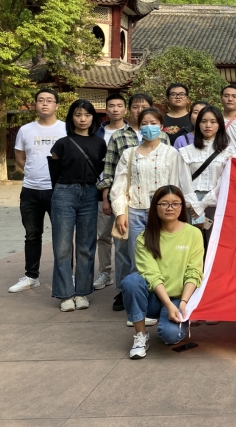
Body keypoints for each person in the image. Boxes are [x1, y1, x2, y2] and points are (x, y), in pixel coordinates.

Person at [97, 93, 169, 312]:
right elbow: (111, 171)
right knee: (125, 251)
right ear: (131, 111)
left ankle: (157, 294)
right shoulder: (120, 138)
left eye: (144, 107)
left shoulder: (166, 143)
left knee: (159, 250)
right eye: (136, 108)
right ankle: (125, 290)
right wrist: (112, 202)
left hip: (158, 205)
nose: (141, 112)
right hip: (131, 204)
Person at [121, 185, 203, 359]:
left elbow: (194, 272)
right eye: (164, 203)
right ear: (155, 207)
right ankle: (141, 335)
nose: (170, 208)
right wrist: (168, 304)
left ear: (182, 206)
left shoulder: (194, 234)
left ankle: (174, 320)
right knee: (131, 281)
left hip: (179, 297)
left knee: (171, 336)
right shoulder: (144, 237)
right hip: (153, 298)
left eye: (175, 203)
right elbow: (152, 275)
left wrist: (183, 302)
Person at [47, 100, 106, 312]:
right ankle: (64, 294)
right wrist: (61, 191)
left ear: (93, 118)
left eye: (87, 115)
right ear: (71, 117)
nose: (82, 119)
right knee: (62, 246)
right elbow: (54, 173)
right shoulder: (62, 144)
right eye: (78, 115)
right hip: (64, 192)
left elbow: (101, 170)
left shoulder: (100, 143)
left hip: (89, 193)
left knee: (86, 246)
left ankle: (82, 292)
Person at [111, 108, 182, 279]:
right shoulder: (129, 154)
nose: (149, 127)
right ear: (139, 127)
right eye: (144, 123)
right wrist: (120, 213)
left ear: (161, 126)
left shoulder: (170, 153)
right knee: (137, 259)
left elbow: (175, 185)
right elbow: (119, 185)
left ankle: (161, 292)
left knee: (163, 256)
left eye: (153, 123)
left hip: (163, 212)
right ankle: (136, 291)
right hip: (135, 211)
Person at [9, 89, 67, 293]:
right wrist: (32, 172)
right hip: (30, 190)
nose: (44, 103)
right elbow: (19, 157)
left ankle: (66, 276)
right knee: (32, 234)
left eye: (49, 100)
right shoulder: (26, 130)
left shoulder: (65, 129)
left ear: (56, 105)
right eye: (40, 100)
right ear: (35, 104)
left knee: (62, 235)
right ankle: (31, 276)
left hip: (57, 190)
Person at [177, 105, 231, 252]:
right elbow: (183, 180)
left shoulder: (228, 152)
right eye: (204, 121)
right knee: (191, 245)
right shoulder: (186, 151)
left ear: (220, 125)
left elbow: (225, 181)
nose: (208, 125)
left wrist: (204, 203)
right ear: (198, 123)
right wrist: (195, 204)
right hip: (190, 203)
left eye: (213, 122)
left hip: (216, 202)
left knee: (215, 244)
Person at [93, 93, 128, 291]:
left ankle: (126, 275)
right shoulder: (97, 133)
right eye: (112, 106)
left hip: (125, 193)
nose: (115, 109)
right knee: (103, 235)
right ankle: (105, 272)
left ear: (125, 109)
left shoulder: (132, 133)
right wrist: (105, 195)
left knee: (124, 236)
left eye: (119, 105)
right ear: (106, 109)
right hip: (103, 190)